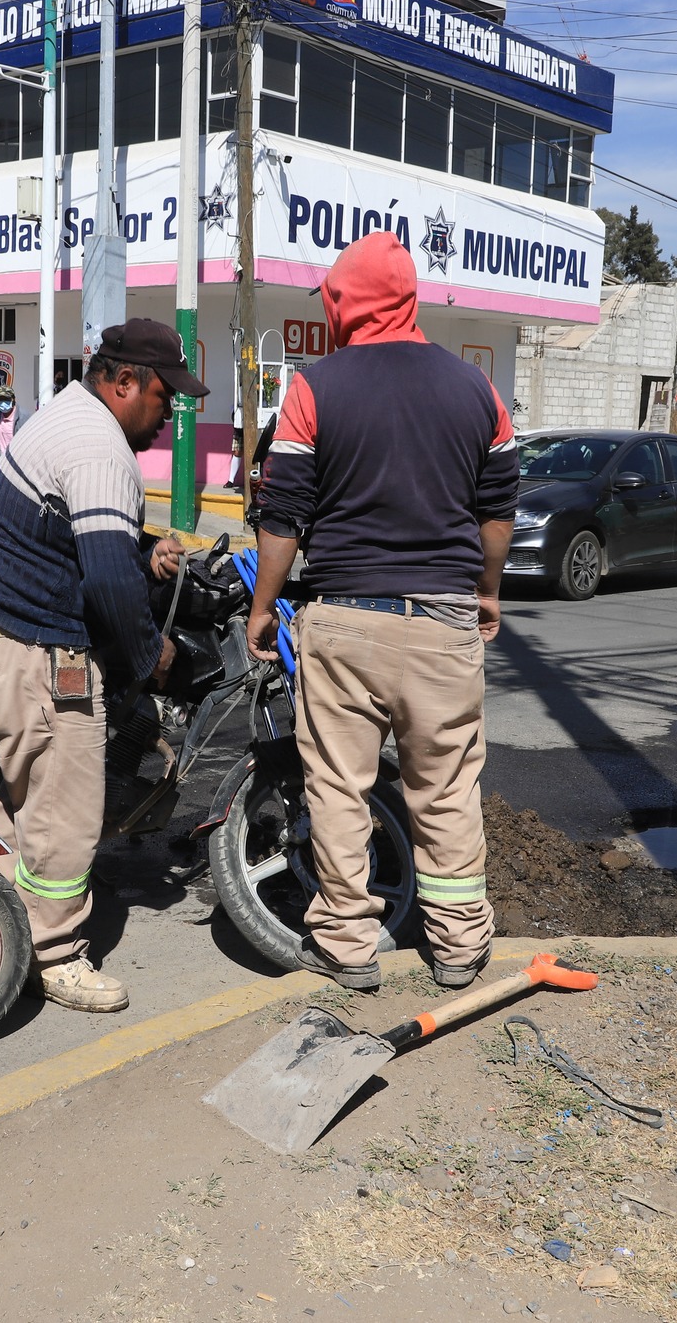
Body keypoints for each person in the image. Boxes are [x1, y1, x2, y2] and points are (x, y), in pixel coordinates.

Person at [245, 231, 520, 993]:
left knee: (338, 785)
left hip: (344, 617)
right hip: (444, 622)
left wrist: (265, 606)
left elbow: (283, 515)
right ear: (410, 299)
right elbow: (497, 509)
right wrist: (487, 589)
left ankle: (346, 943)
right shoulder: (476, 390)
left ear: (342, 301)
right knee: (447, 787)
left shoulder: (313, 387)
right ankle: (461, 946)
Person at [0, 319, 210, 1013]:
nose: (167, 414)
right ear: (123, 383)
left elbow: (79, 536)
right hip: (36, 652)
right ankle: (57, 955)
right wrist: (153, 655)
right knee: (66, 812)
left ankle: (6, 925)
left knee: (27, 801)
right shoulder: (101, 448)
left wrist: (142, 546)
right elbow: (106, 584)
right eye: (162, 397)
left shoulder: (66, 412)